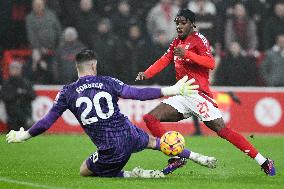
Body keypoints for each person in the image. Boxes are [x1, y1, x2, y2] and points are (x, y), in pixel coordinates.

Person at [6, 49, 217, 178]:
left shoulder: (67, 92)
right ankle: (200, 157)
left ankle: (137, 175)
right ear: (94, 66)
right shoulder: (108, 81)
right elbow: (137, 94)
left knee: (84, 171)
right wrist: (170, 90)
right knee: (156, 142)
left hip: (110, 148)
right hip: (129, 133)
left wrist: (23, 135)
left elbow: (45, 123)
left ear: (77, 68)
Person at [136, 9, 276, 176]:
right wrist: (147, 73)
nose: (179, 26)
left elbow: (210, 63)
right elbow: (164, 60)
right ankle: (175, 157)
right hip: (183, 94)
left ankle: (264, 161)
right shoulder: (176, 42)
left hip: (198, 94)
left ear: (192, 24)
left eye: (183, 23)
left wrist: (187, 54)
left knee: (222, 130)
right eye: (177, 23)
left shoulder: (199, 40)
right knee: (150, 118)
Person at [0, 62, 36, 131]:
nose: (15, 70)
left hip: (26, 116)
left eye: (17, 68)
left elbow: (33, 96)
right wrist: (17, 94)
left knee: (27, 139)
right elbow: (4, 97)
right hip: (13, 119)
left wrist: (23, 93)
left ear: (20, 70)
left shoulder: (26, 83)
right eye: (13, 68)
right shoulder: (6, 84)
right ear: (9, 70)